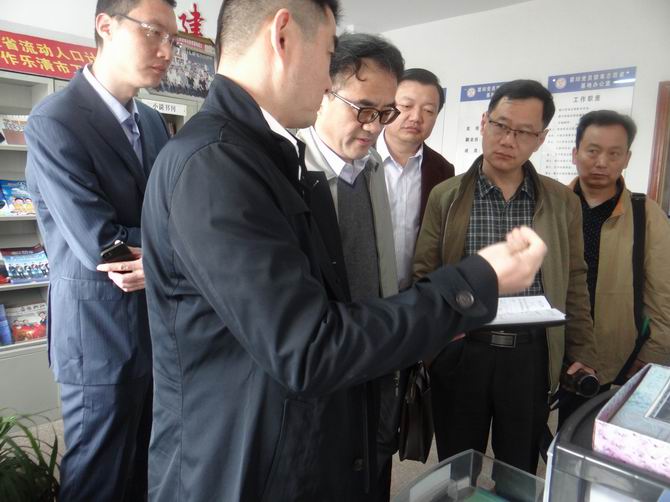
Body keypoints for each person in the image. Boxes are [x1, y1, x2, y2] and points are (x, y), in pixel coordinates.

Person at [141, 2, 548, 500]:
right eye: (327, 54)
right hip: (236, 460)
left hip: (284, 436)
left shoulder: (267, 155)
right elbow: (309, 346)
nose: (326, 79)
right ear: (282, 36)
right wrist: (474, 280)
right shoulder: (216, 164)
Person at [24, 0, 177, 499]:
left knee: (146, 469)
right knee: (98, 474)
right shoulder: (55, 120)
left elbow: (171, 214)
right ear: (106, 26)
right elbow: (103, 244)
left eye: (173, 39)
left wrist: (166, 254)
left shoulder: (151, 121)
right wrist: (179, 252)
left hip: (155, 324)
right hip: (97, 337)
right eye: (153, 32)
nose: (166, 51)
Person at [413, 79, 598, 476]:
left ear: (541, 138)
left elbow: (574, 279)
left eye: (524, 132)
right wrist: (437, 349)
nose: (508, 140)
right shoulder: (446, 195)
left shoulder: (561, 201)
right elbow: (424, 272)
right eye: (500, 125)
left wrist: (582, 351)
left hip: (530, 356)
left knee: (519, 470)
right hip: (463, 350)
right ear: (484, 122)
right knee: (456, 470)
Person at [296, 32, 403, 500]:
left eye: (384, 113)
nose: (374, 126)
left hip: (376, 354)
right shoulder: (290, 171)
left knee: (374, 468)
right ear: (323, 92)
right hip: (324, 361)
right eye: (362, 109)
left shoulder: (372, 167)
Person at [559, 110, 670, 425]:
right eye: (592, 151)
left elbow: (663, 295)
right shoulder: (553, 206)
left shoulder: (646, 214)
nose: (601, 162)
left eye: (613, 153)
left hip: (615, 354)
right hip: (552, 345)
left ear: (627, 158)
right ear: (575, 153)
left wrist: (651, 358)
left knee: (590, 434)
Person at [378, 68, 455, 291]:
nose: (416, 117)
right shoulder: (358, 156)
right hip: (363, 293)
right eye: (406, 106)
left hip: (415, 294)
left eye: (428, 110)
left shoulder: (443, 170)